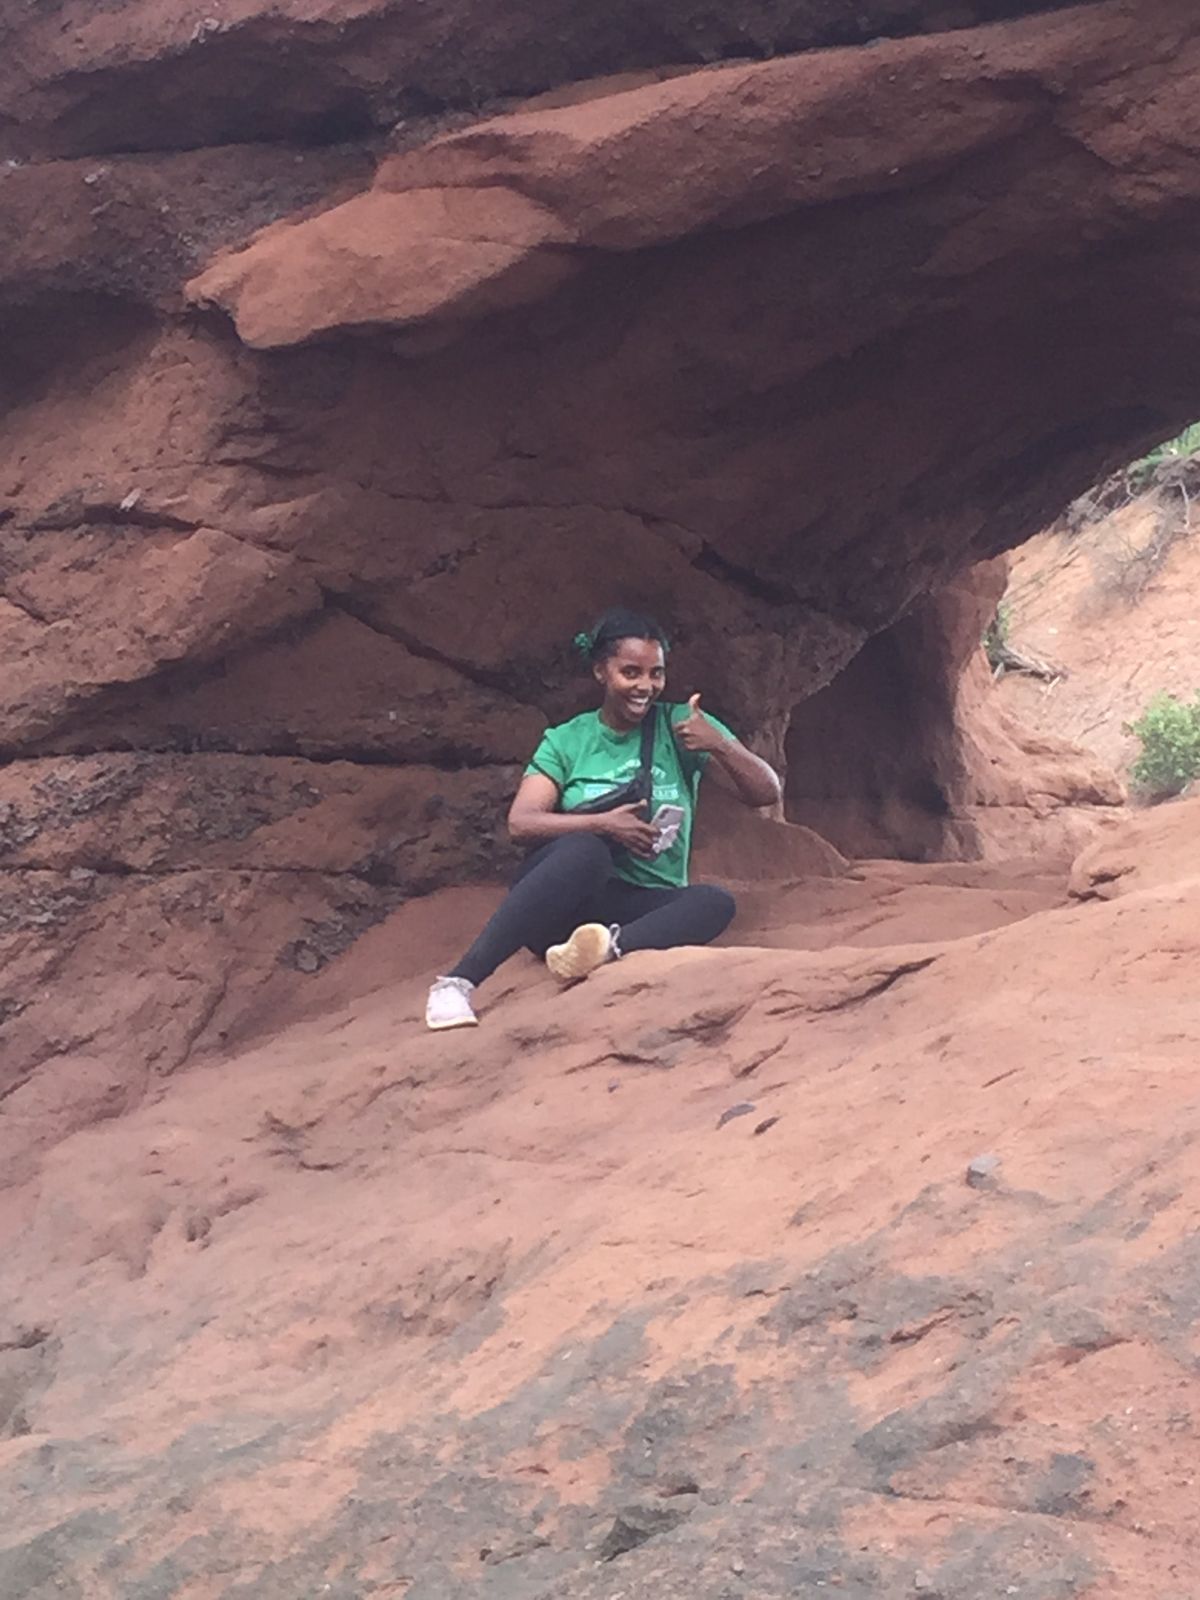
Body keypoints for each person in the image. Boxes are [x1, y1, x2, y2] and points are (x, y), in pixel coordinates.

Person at [425, 607, 782, 1030]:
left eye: (656, 673)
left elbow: (766, 792)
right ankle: (457, 983)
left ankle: (601, 951)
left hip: (637, 907)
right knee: (586, 851)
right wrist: (604, 824)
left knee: (715, 902)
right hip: (564, 903)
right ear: (601, 672)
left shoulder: (681, 726)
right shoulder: (567, 740)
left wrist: (719, 744)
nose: (645, 686)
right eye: (631, 672)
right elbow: (522, 822)